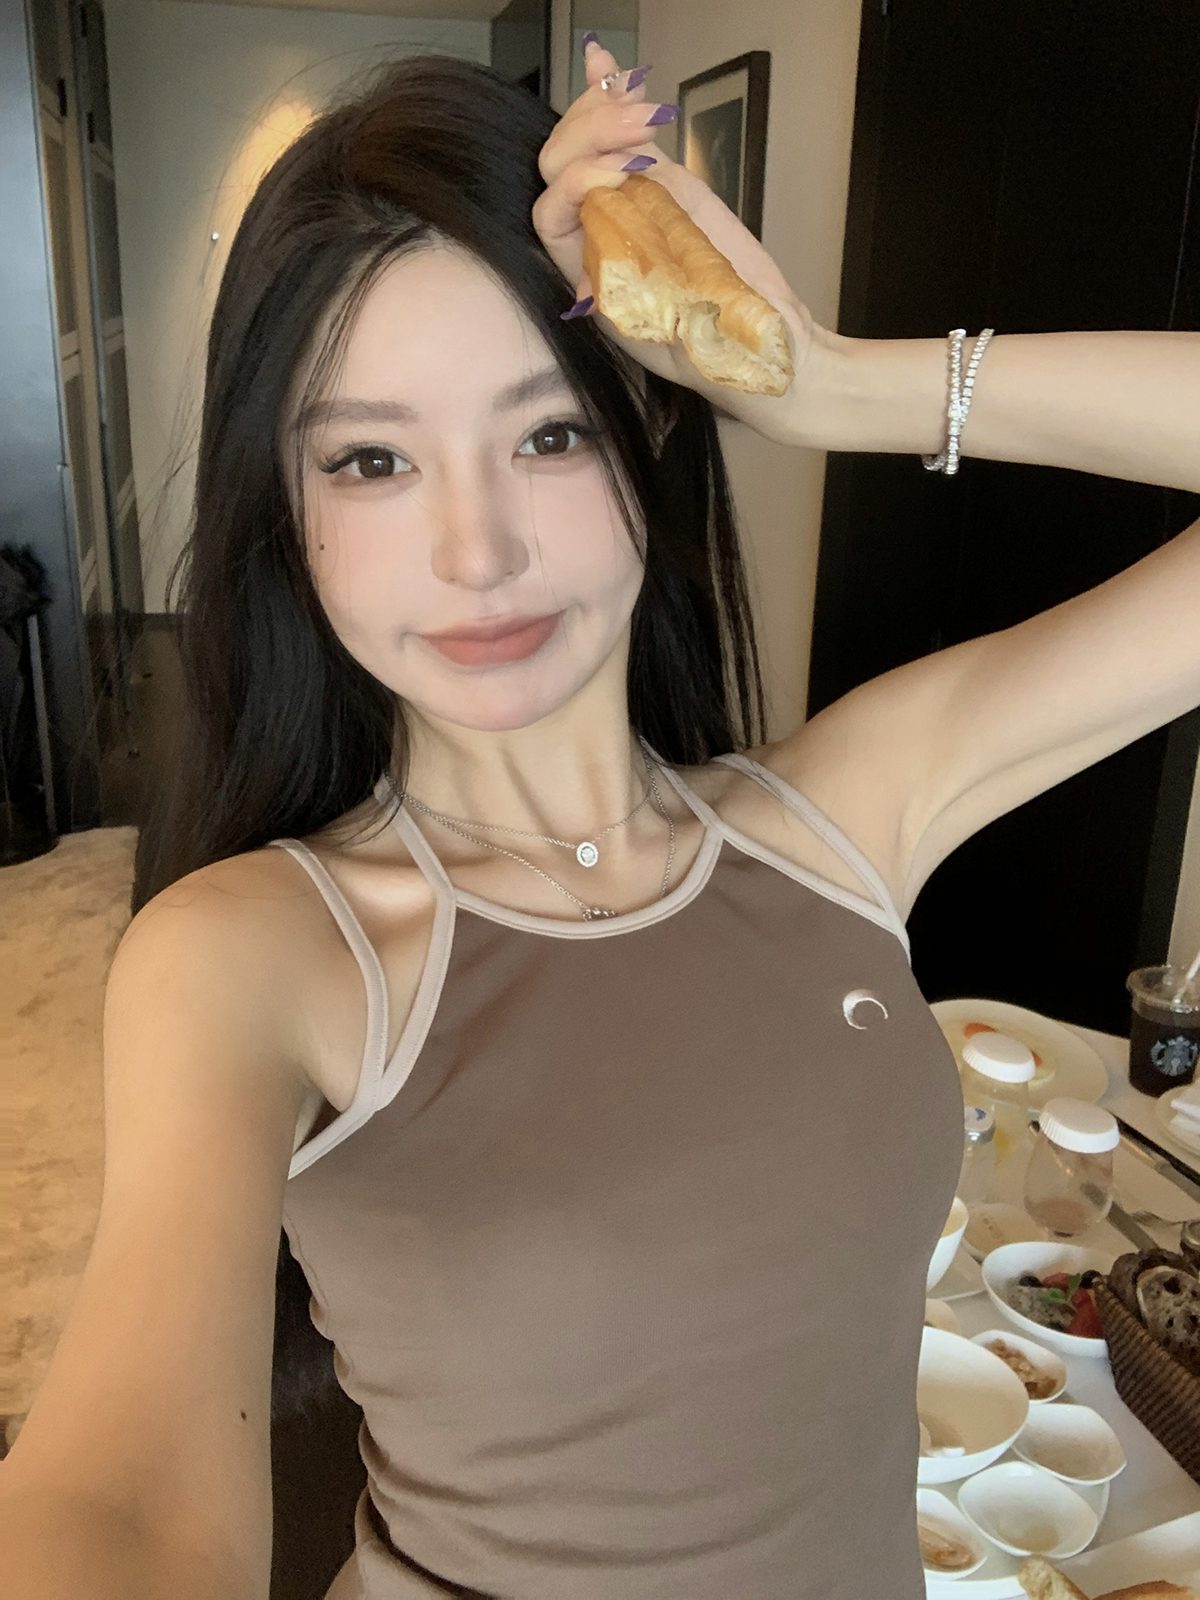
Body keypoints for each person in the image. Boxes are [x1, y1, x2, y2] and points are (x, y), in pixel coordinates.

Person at [2, 36, 1198, 1600]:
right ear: (286, 521)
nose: (478, 548)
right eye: (372, 459)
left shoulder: (839, 818)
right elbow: (120, 1510)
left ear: (648, 438)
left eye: (552, 430)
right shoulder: (255, 956)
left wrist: (828, 380)